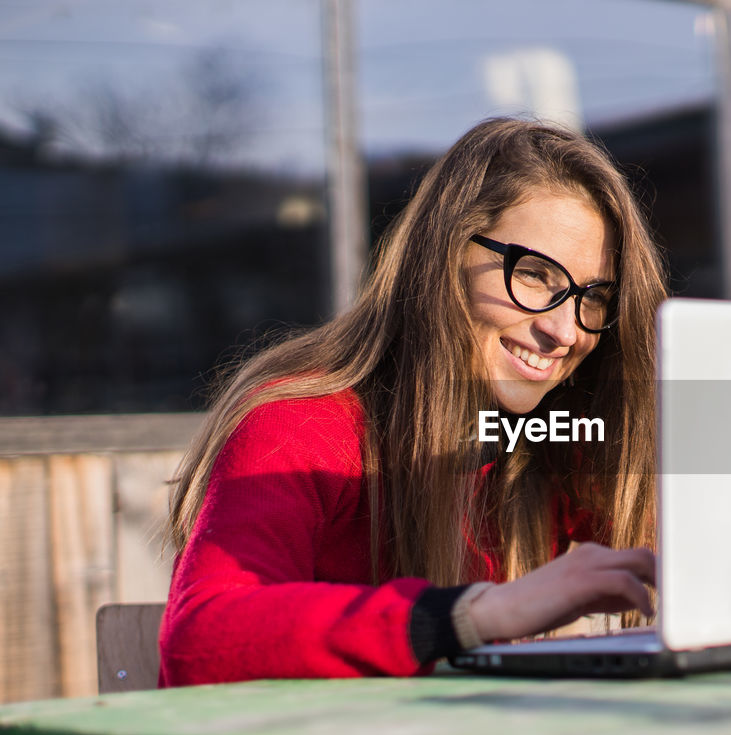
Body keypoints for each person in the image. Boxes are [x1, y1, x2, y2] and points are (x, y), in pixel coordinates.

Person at [159, 118, 667, 686]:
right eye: (533, 274)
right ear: (443, 255)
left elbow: (677, 537)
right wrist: (476, 615)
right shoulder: (302, 425)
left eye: (593, 298)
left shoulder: (537, 438)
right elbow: (202, 638)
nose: (565, 331)